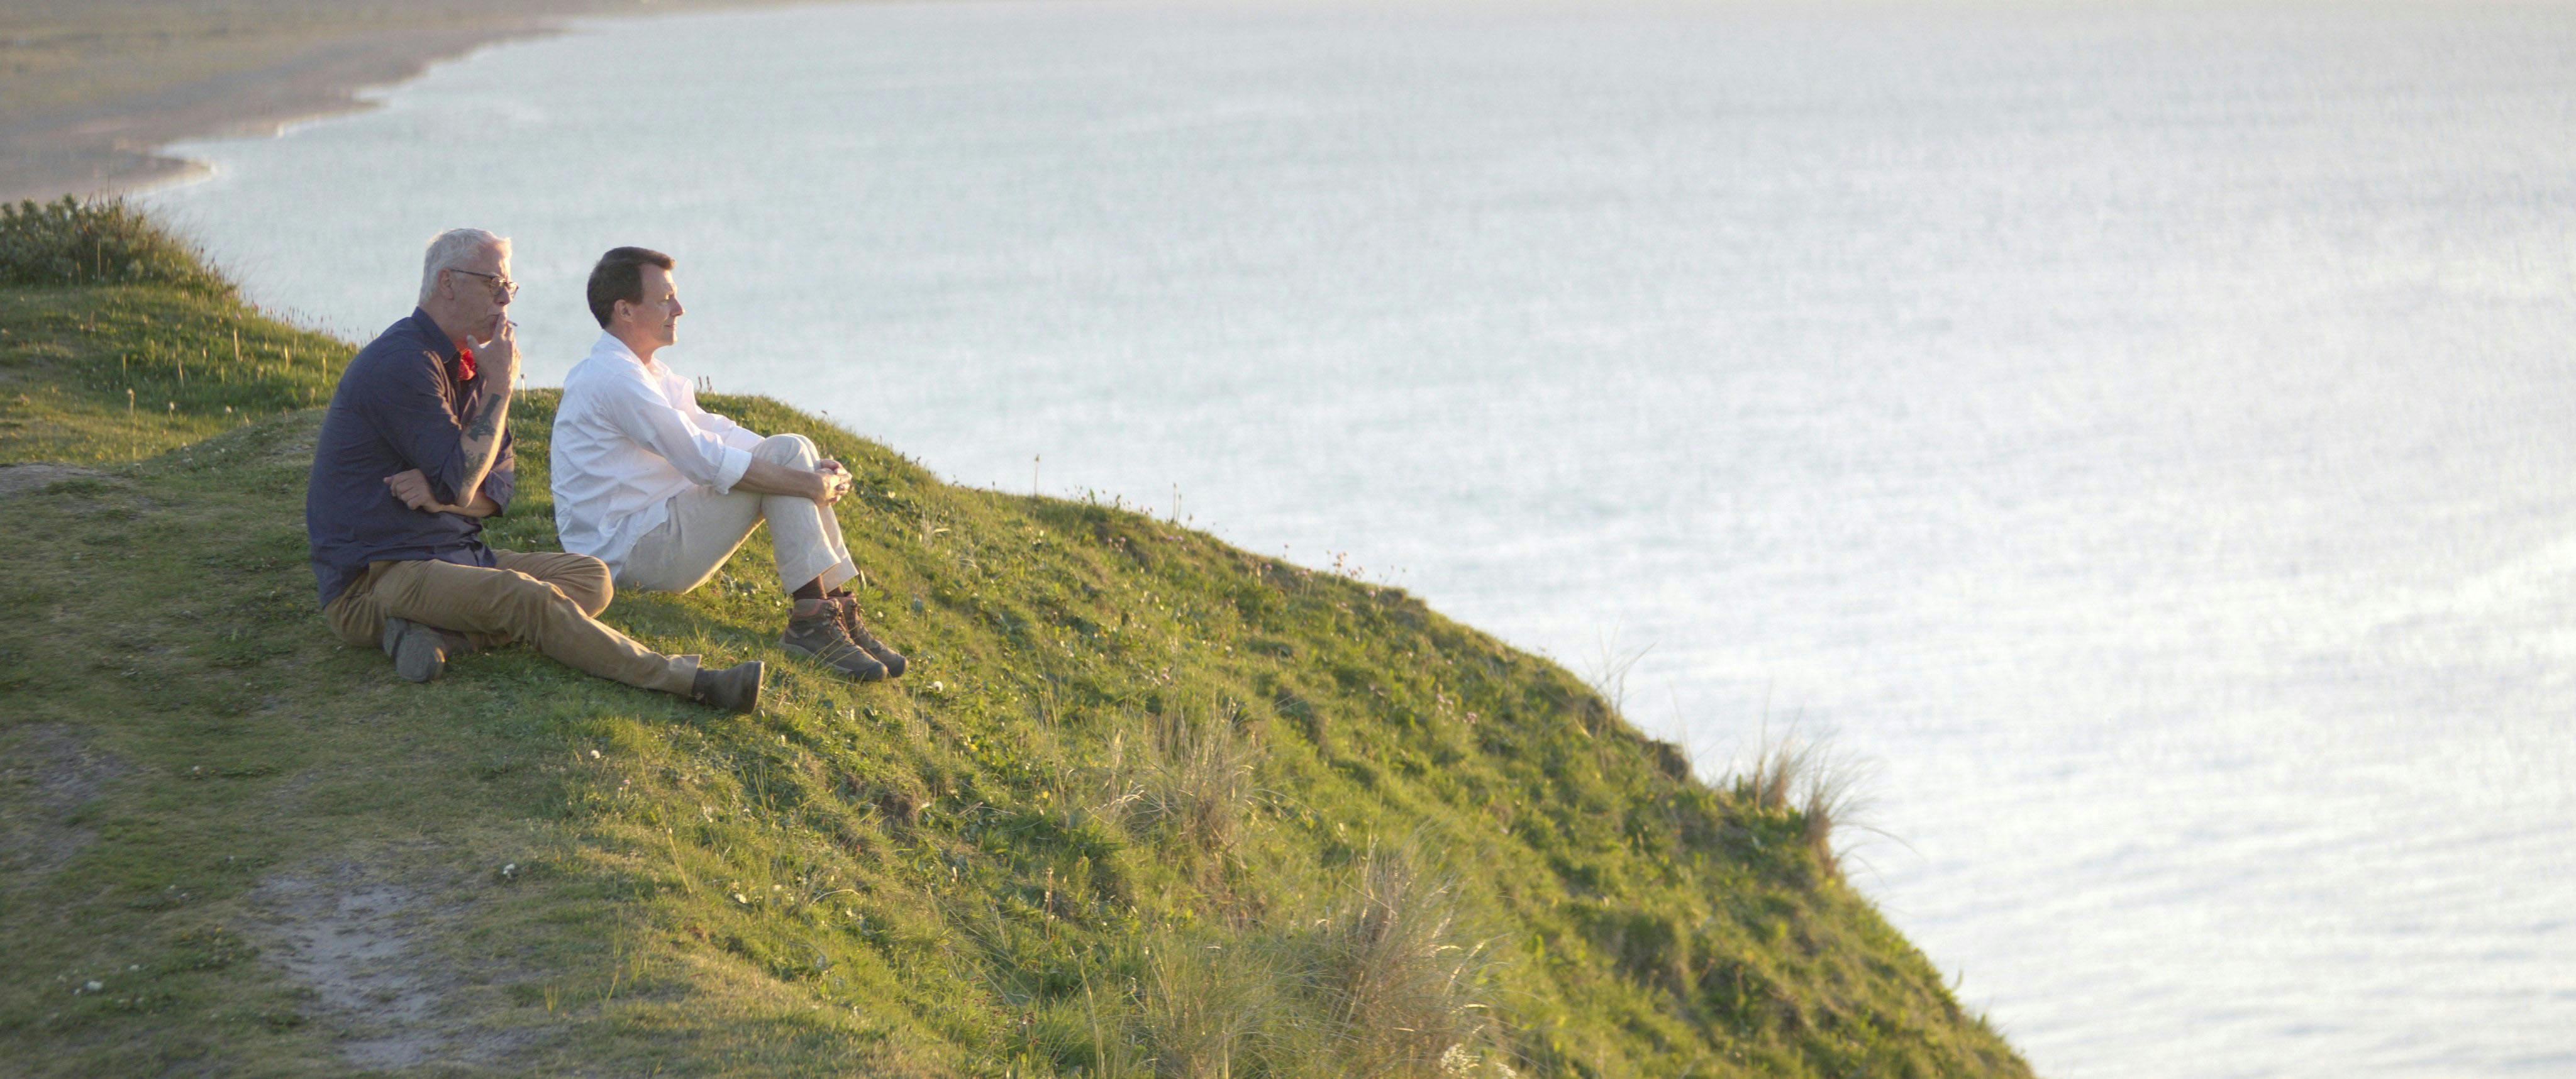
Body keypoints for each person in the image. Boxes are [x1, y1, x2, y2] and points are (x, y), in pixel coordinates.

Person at [304, 228, 762, 711]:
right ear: (447, 283)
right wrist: (498, 388)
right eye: (493, 284)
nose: (505, 300)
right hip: (379, 576)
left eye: (510, 288)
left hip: (455, 555)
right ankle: (692, 682)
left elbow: (494, 493)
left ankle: (438, 636)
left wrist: (444, 495)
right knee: (527, 598)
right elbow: (464, 483)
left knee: (591, 579)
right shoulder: (403, 363)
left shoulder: (474, 365)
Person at [550, 246, 907, 682]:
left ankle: (833, 612)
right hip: (628, 554)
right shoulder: (614, 378)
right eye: (664, 300)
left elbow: (710, 428)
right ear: (624, 310)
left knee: (791, 448)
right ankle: (814, 621)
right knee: (785, 459)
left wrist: (806, 469)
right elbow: (701, 458)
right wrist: (803, 481)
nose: (678, 309)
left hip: (655, 531)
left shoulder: (646, 372)